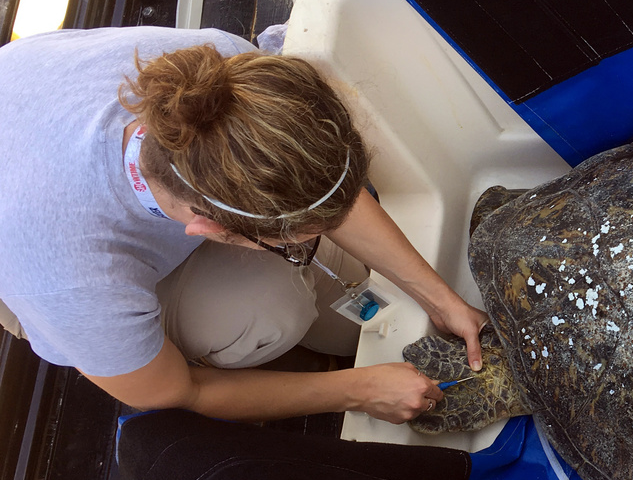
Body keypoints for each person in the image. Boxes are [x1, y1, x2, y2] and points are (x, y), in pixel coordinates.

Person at [0, 26, 488, 423]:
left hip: (33, 107)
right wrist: (358, 391)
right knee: (264, 313)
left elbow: (322, 192)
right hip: (37, 264)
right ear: (210, 228)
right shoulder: (76, 283)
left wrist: (441, 299)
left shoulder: (225, 76)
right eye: (293, 239)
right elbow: (173, 392)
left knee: (350, 300)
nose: (314, 234)